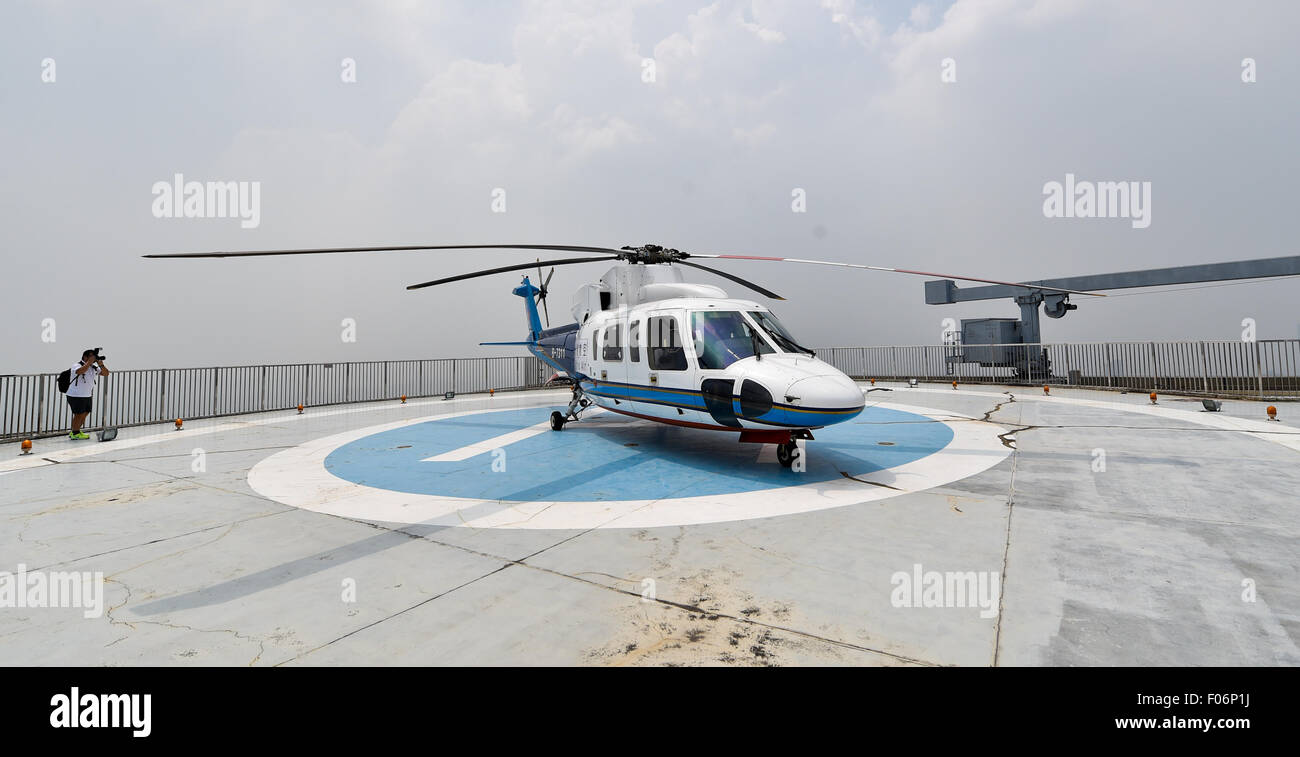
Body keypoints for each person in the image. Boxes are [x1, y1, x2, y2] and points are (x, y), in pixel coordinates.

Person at [67, 349, 109, 440]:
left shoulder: (93, 367)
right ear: (85, 357)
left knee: (85, 413)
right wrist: (89, 363)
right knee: (79, 414)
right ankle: (75, 433)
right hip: (76, 395)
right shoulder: (77, 365)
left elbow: (106, 373)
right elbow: (79, 371)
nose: (93, 358)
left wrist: (101, 365)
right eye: (91, 356)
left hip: (86, 395)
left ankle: (75, 430)